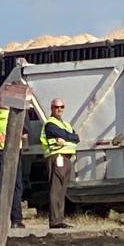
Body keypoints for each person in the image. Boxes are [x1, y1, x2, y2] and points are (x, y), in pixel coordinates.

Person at [0, 99, 26, 229]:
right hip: (11, 153)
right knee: (15, 187)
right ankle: (16, 219)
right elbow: (23, 134)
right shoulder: (13, 115)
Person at [39, 98, 80, 229]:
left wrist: (66, 137)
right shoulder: (50, 124)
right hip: (57, 157)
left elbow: (76, 137)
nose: (59, 109)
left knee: (62, 191)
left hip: (66, 158)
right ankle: (55, 220)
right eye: (56, 107)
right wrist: (69, 137)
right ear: (51, 108)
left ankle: (59, 219)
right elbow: (68, 136)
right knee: (56, 189)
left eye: (62, 107)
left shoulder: (65, 124)